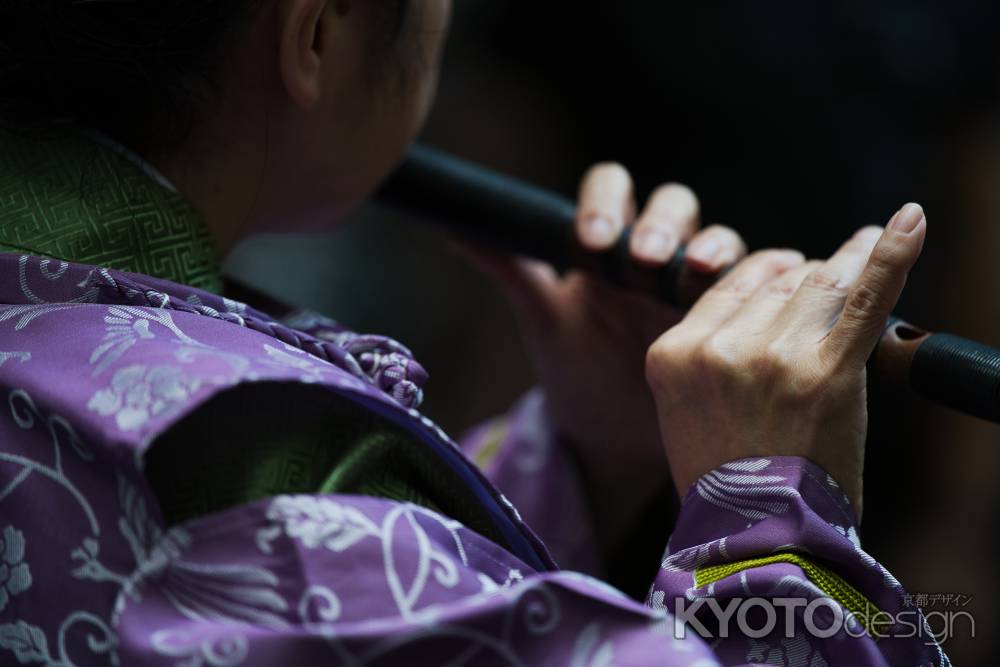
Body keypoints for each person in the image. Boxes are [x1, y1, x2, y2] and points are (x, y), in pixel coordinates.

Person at [0, 2, 947, 665]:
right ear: (319, 31)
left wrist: (585, 452)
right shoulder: (255, 471)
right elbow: (305, 557)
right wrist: (771, 523)